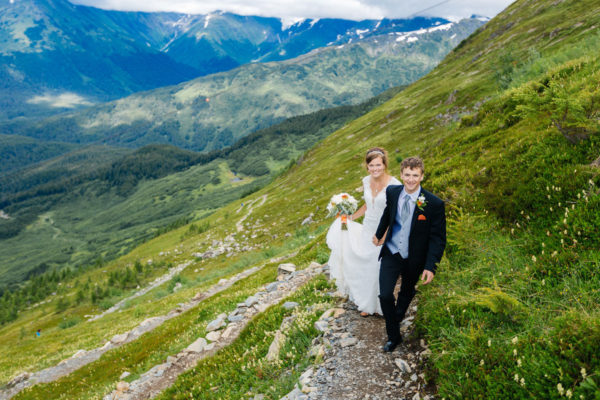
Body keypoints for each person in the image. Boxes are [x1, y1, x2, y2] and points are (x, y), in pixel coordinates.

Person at [372, 156, 446, 352]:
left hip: (414, 257)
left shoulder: (434, 204)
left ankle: (396, 317)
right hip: (392, 251)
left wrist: (430, 266)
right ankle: (393, 336)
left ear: (422, 176)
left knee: (406, 290)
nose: (411, 179)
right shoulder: (393, 192)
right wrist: (379, 233)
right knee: (386, 295)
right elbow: (388, 214)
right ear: (401, 175)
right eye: (407, 175)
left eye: (415, 175)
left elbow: (437, 239)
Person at [327, 147, 400, 316]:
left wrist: (385, 235)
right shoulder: (366, 181)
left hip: (385, 230)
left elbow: (395, 213)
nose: (375, 169)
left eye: (378, 165)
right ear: (367, 167)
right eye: (371, 166)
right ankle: (368, 304)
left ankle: (381, 305)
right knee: (366, 265)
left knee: (377, 266)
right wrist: (349, 217)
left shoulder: (395, 185)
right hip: (367, 228)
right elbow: (368, 205)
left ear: (384, 165)